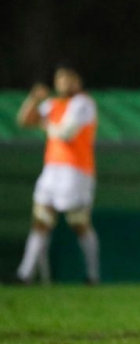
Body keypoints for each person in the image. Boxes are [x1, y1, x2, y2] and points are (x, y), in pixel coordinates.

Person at [13, 64, 101, 285]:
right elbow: (24, 121)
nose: (63, 83)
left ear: (77, 82)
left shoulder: (83, 103)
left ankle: (92, 275)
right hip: (52, 169)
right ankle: (24, 275)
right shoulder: (53, 105)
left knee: (79, 223)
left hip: (76, 171)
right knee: (41, 221)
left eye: (68, 79)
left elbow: (66, 133)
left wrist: (44, 123)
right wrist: (33, 99)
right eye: (60, 79)